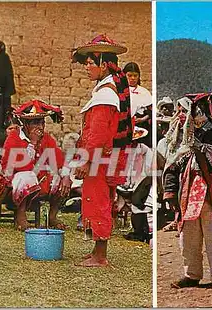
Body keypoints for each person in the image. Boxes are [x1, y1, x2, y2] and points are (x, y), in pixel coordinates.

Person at [163, 94, 212, 292]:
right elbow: (171, 164)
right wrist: (170, 191)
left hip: (211, 191)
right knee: (188, 235)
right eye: (178, 111)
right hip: (187, 193)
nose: (180, 114)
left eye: (184, 110)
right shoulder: (179, 137)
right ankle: (192, 274)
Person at [71, 34, 133, 267]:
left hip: (99, 158)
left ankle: (100, 256)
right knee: (98, 200)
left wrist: (86, 160)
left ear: (104, 65)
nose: (86, 67)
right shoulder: (107, 90)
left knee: (97, 201)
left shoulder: (106, 95)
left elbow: (98, 133)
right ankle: (96, 249)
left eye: (90, 63)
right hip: (104, 157)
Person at [1, 99, 71, 231]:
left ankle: (52, 217)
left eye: (42, 122)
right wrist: (32, 143)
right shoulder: (14, 138)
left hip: (39, 181)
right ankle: (20, 216)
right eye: (36, 123)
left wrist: (66, 176)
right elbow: (23, 167)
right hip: (15, 183)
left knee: (63, 177)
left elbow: (59, 160)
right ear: (26, 124)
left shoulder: (47, 138)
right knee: (27, 176)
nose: (40, 126)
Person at [123, 62, 152, 147]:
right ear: (124, 75)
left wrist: (142, 119)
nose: (133, 78)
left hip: (140, 127)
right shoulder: (120, 91)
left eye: (135, 76)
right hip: (124, 126)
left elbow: (151, 111)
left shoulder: (144, 92)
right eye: (130, 75)